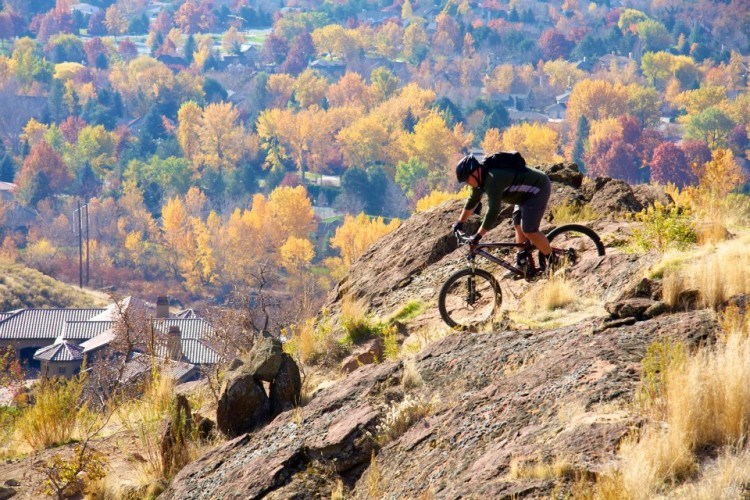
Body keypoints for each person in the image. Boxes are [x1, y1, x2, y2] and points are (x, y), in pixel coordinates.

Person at [451, 153, 556, 273]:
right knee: (517, 224)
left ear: (475, 172)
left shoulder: (493, 179)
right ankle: (522, 261)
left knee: (529, 230)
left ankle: (553, 260)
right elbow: (472, 201)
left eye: (467, 179)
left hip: (538, 188)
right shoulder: (479, 180)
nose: (467, 183)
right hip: (523, 196)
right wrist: (459, 222)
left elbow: (493, 210)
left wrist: (478, 235)